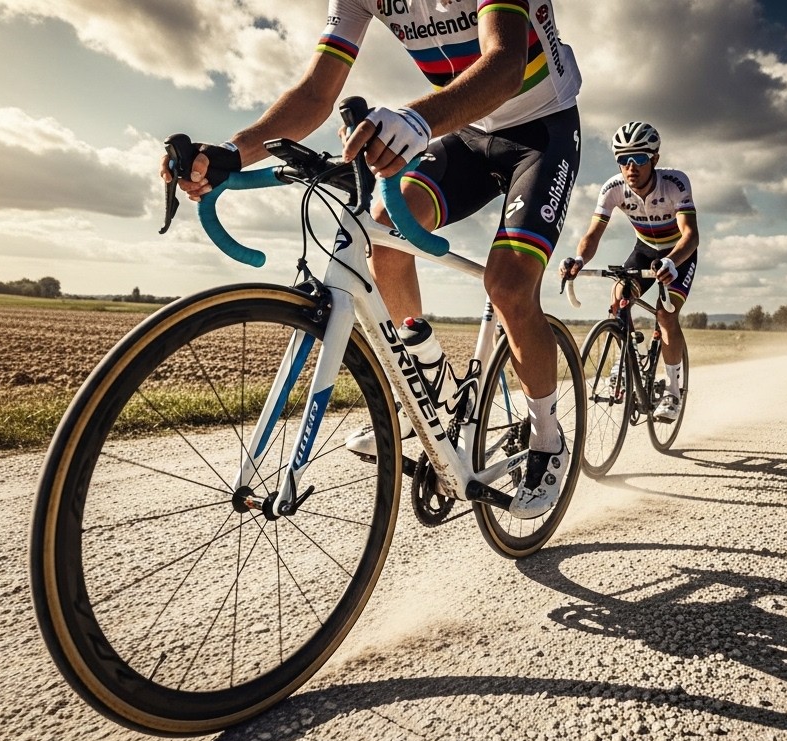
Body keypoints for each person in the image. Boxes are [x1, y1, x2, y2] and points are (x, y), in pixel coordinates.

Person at [160, 0, 582, 518]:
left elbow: (504, 64)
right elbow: (318, 91)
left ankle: (546, 438)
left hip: (542, 131)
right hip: (466, 131)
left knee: (511, 286)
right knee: (380, 231)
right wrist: (232, 151)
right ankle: (428, 388)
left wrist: (415, 119)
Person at [560, 121, 698, 420]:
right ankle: (624, 361)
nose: (630, 167)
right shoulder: (613, 189)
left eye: (639, 158)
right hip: (645, 250)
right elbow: (593, 235)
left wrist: (672, 262)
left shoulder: (675, 183)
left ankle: (673, 394)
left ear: (655, 159)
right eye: (623, 159)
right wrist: (579, 260)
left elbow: (690, 235)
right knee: (619, 297)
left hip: (678, 253)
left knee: (665, 314)